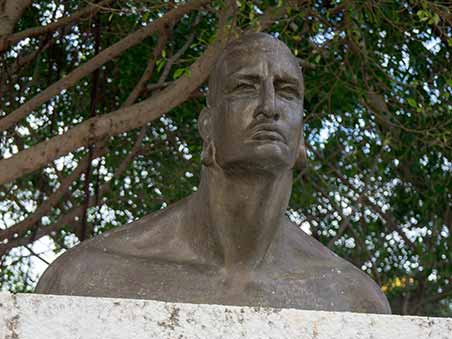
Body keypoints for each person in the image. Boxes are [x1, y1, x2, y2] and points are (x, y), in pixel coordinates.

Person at [36, 32, 390, 314]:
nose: (269, 107)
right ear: (207, 126)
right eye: (244, 87)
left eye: (286, 91)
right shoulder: (86, 278)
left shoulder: (352, 300)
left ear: (301, 136)